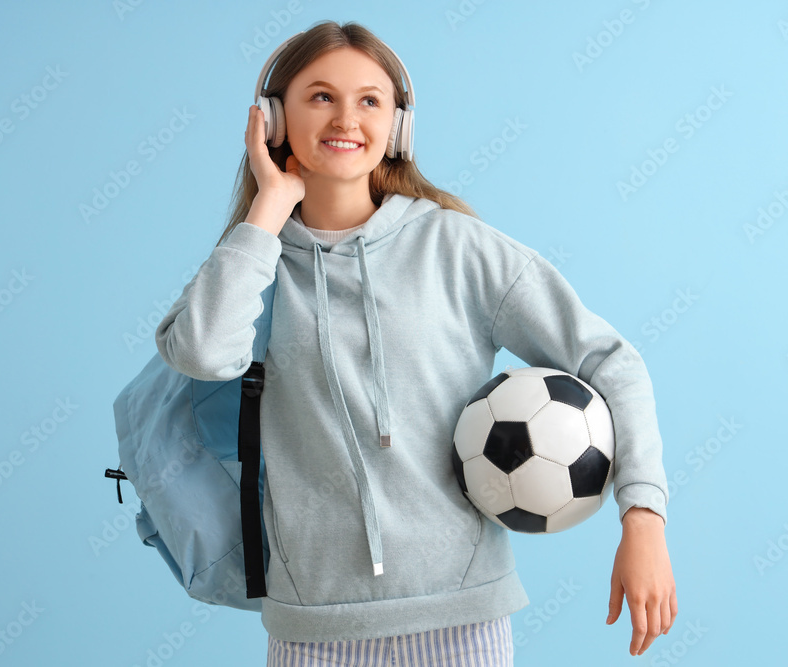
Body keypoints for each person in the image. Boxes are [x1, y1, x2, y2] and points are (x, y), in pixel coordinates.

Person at [155, 19, 677, 666]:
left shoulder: (456, 247)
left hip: (462, 620)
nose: (346, 117)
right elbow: (203, 352)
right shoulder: (251, 262)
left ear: (398, 125)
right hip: (311, 630)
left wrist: (644, 519)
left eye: (370, 100)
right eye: (320, 96)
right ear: (271, 119)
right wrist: (267, 209)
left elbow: (610, 361)